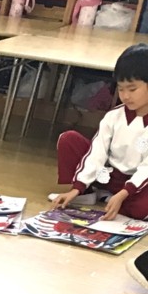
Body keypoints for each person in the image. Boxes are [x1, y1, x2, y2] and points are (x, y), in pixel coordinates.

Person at [55, 43, 148, 221]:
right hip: (108, 175)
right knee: (68, 139)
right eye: (121, 89)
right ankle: (90, 192)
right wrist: (77, 187)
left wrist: (124, 193)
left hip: (137, 184)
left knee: (141, 209)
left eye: (132, 89)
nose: (125, 96)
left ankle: (115, 199)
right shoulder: (114, 116)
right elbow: (97, 152)